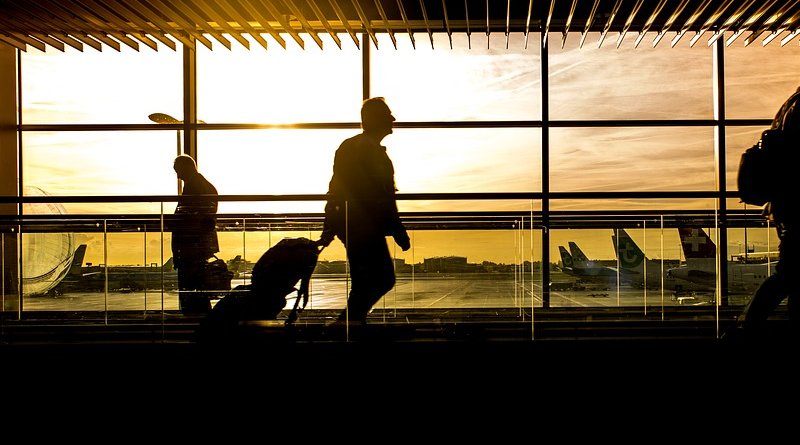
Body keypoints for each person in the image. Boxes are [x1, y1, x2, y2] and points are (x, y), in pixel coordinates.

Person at [319, 97, 411, 325]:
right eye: (388, 114)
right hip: (363, 226)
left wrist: (330, 224)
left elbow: (337, 188)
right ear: (376, 119)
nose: (393, 119)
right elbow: (383, 197)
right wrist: (398, 229)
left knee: (367, 280)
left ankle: (350, 325)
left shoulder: (353, 147)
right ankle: (347, 325)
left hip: (354, 224)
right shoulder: (369, 151)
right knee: (381, 278)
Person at [732, 86, 800, 342]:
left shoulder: (789, 106)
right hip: (795, 207)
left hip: (787, 209)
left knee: (788, 277)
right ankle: (747, 328)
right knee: (788, 277)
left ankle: (747, 327)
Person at [171, 154, 220, 314]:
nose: (178, 175)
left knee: (191, 292)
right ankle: (201, 324)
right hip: (198, 247)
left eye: (178, 171)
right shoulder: (206, 186)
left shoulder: (194, 187)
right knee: (199, 293)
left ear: (187, 167)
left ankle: (194, 324)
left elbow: (190, 219)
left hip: (191, 247)